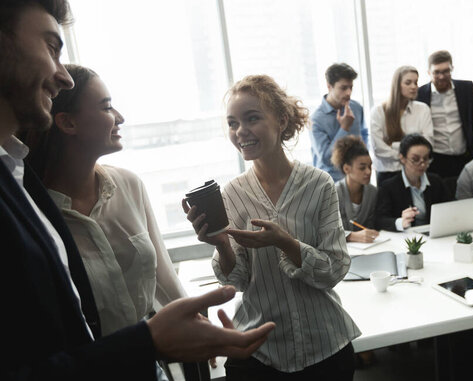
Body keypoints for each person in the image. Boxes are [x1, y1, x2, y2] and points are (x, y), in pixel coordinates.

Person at [0, 1, 274, 379]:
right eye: (50, 46)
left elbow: (163, 277)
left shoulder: (32, 179)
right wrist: (149, 341)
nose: (61, 75)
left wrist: (194, 329)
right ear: (67, 123)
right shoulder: (33, 199)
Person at [184, 75, 360, 380]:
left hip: (325, 346)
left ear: (281, 120)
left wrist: (287, 243)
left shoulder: (319, 185)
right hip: (258, 352)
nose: (240, 132)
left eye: (251, 118)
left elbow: (335, 269)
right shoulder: (232, 195)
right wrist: (222, 245)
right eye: (232, 123)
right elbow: (238, 281)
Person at [417, 50, 473, 180]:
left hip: (465, 156)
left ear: (452, 69)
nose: (442, 76)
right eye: (437, 72)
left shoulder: (466, 88)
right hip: (436, 159)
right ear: (429, 73)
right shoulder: (420, 94)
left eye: (446, 71)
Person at [370, 65, 434, 186]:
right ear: (397, 85)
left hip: (416, 173)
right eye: (408, 83)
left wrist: (393, 145)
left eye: (416, 82)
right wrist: (412, 155)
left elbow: (428, 143)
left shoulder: (423, 109)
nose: (414, 87)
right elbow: (378, 149)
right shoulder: (378, 111)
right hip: (388, 174)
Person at [375, 134, 451, 231]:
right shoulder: (388, 187)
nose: (422, 164)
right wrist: (400, 221)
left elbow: (450, 207)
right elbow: (379, 220)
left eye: (426, 158)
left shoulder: (436, 181)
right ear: (402, 158)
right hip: (405, 239)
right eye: (415, 159)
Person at [310, 63, 368, 182]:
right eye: (343, 88)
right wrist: (344, 128)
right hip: (331, 184)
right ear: (329, 86)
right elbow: (327, 160)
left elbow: (364, 135)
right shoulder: (315, 120)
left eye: (351, 87)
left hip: (357, 180)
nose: (348, 92)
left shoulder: (356, 108)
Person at [331, 135, 379, 243]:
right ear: (347, 168)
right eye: (362, 168)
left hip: (367, 248)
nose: (368, 172)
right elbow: (326, 231)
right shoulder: (334, 193)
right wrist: (351, 236)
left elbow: (371, 224)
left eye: (370, 166)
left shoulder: (372, 192)